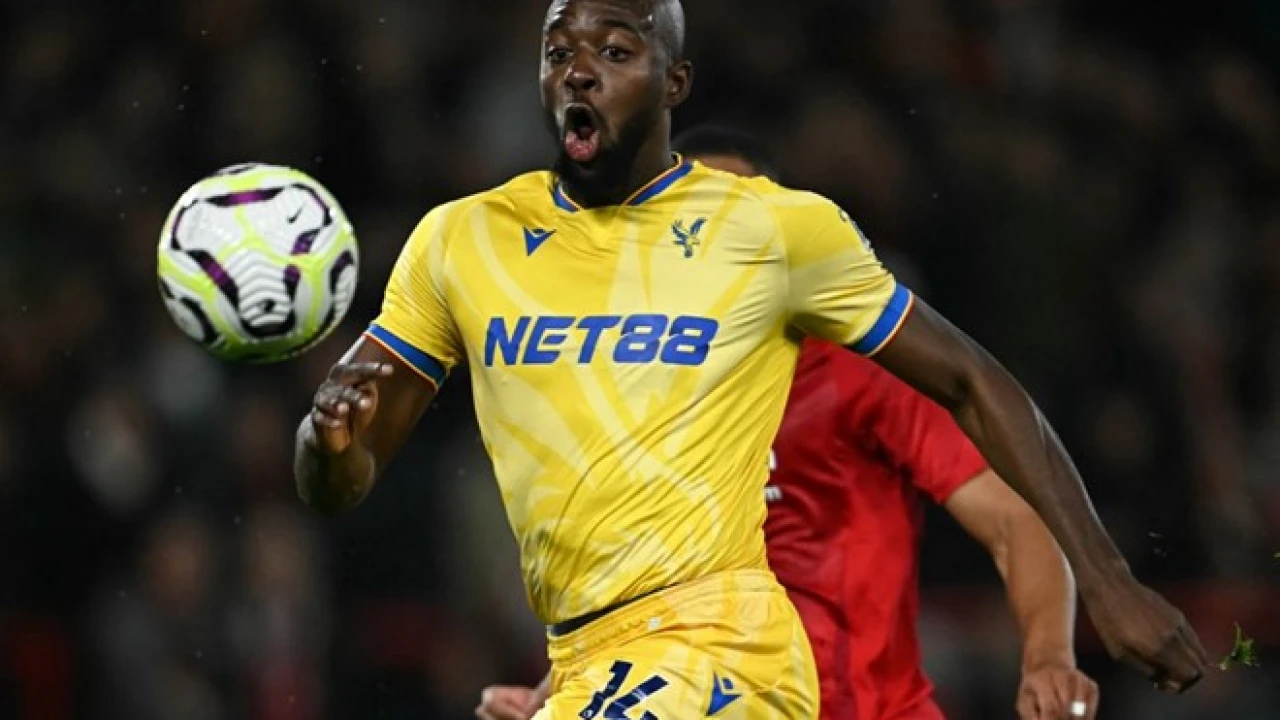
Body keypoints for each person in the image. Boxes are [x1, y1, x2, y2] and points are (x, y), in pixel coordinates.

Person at [294, 1, 1208, 718]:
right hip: (589, 658)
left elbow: (973, 385)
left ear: (674, 81)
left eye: (615, 50)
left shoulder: (780, 240)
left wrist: (1105, 586)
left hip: (731, 649)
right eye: (559, 49)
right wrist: (326, 443)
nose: (580, 68)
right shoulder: (462, 241)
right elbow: (341, 480)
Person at [476, 125, 1101, 720]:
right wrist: (554, 693)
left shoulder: (861, 364)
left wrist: (1048, 658)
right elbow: (643, 605)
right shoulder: (634, 401)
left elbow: (1015, 519)